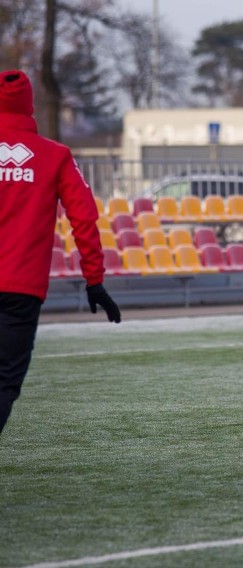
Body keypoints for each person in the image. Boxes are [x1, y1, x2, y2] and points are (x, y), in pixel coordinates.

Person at [0, 69, 121, 438]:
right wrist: (94, 282)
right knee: (4, 382)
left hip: (21, 289)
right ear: (30, 107)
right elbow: (84, 219)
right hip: (20, 290)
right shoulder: (55, 156)